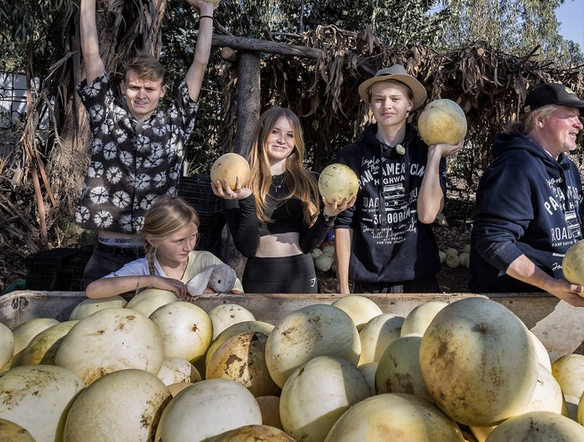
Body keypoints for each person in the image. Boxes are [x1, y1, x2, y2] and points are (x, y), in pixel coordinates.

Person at [75, 0, 214, 283]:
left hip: (154, 258)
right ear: (123, 88)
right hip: (105, 256)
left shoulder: (176, 122)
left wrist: (207, 12)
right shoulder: (106, 116)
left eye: (149, 88)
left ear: (162, 91)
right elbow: (90, 53)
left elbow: (199, 64)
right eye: (135, 87)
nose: (141, 94)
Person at [469, 82, 584, 308]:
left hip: (554, 297)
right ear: (540, 120)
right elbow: (493, 242)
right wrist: (549, 284)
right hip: (512, 303)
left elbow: (565, 236)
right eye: (569, 116)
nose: (580, 125)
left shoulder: (569, 169)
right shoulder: (515, 167)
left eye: (579, 117)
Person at [333, 65, 463, 294]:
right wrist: (343, 288)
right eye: (379, 99)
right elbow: (344, 223)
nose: (387, 105)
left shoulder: (428, 153)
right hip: (369, 283)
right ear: (371, 105)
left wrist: (434, 156)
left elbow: (428, 214)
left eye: (395, 98)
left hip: (420, 279)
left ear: (409, 105)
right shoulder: (352, 156)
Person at [211, 107, 353, 293]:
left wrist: (328, 216)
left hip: (303, 279)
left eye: (289, 135)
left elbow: (307, 245)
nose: (282, 140)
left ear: (296, 141)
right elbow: (248, 248)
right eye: (275, 132)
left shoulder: (310, 182)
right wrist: (246, 200)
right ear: (262, 133)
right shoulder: (238, 182)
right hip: (260, 280)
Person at [85, 195, 243, 299]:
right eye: (179, 241)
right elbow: (93, 290)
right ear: (153, 240)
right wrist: (152, 280)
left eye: (193, 236)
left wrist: (210, 294)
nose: (189, 246)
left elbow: (239, 296)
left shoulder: (207, 261)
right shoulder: (143, 269)